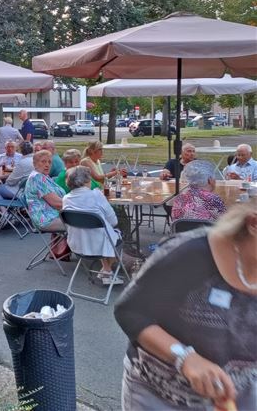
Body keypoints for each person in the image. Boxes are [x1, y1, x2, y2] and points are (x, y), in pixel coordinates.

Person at [114, 203, 257, 410]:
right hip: (163, 396)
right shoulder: (192, 252)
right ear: (253, 223)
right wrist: (185, 357)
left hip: (241, 395)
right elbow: (130, 312)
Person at [62, 166, 123, 285]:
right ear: (86, 181)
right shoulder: (96, 195)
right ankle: (106, 271)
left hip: (77, 244)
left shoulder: (66, 198)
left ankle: (106, 271)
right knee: (112, 237)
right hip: (97, 243)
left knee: (98, 234)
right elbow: (113, 221)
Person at [25, 150, 66, 232]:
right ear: (35, 164)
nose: (47, 165)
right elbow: (57, 204)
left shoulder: (45, 177)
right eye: (43, 161)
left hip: (55, 215)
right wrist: (77, 205)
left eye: (49, 162)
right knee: (81, 224)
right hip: (46, 219)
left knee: (82, 221)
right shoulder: (37, 178)